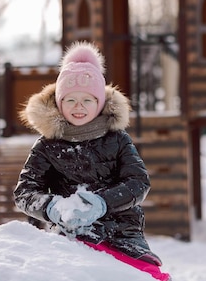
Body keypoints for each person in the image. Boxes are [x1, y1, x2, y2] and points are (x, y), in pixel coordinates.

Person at [14, 42, 170, 281]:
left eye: (87, 100)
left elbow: (138, 181)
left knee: (141, 275)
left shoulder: (118, 139)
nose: (79, 107)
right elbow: (25, 192)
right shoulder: (47, 146)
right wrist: (53, 208)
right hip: (72, 230)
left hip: (123, 231)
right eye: (70, 100)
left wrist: (102, 202)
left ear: (99, 104)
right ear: (59, 103)